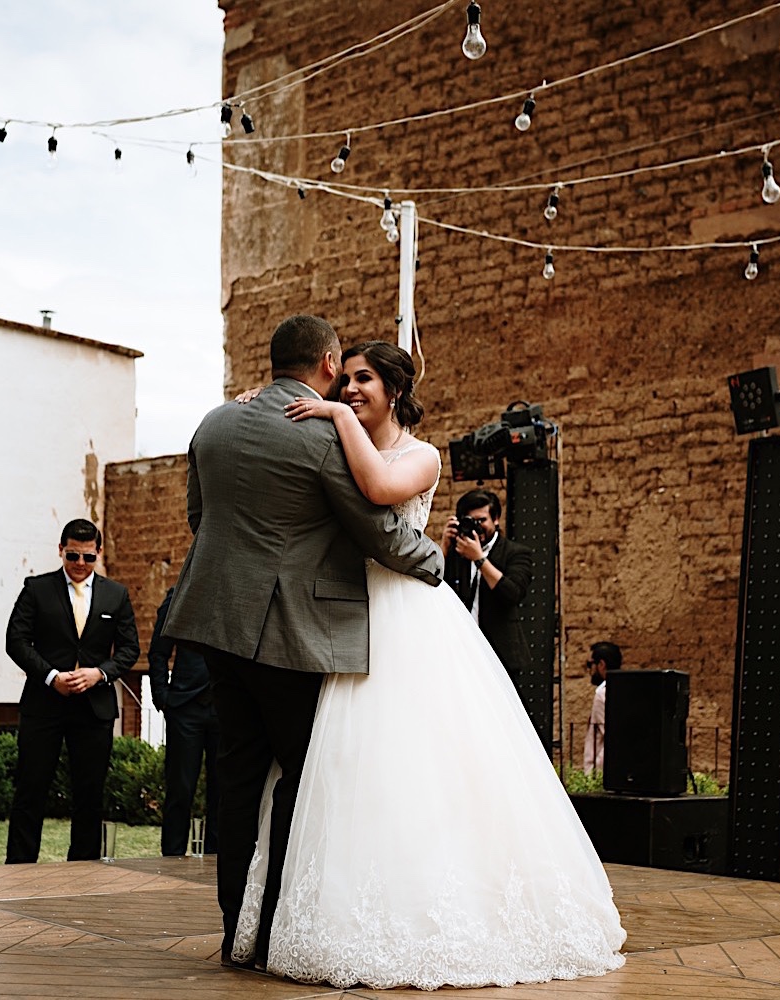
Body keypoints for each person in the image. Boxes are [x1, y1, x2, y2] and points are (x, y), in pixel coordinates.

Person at [232, 340, 625, 989]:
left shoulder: (418, 455)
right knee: (345, 766)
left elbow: (379, 490)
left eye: (365, 379)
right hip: (344, 620)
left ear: (393, 389)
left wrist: (330, 416)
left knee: (424, 760)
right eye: (346, 378)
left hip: (409, 616)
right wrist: (261, 404)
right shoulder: (339, 436)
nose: (352, 388)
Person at [162, 315, 444, 969]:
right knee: (302, 775)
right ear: (324, 361)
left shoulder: (213, 424)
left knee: (235, 779)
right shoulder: (317, 436)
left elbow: (201, 518)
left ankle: (236, 928)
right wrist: (437, 568)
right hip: (292, 634)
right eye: (341, 369)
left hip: (217, 628)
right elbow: (376, 530)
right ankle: (273, 933)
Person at [5, 518, 138, 863]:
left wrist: (99, 674)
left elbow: (129, 650)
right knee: (31, 790)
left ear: (99, 553)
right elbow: (16, 641)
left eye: (88, 557)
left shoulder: (117, 595)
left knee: (89, 793)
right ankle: (19, 868)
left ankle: (83, 869)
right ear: (61, 550)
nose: (80, 564)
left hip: (94, 708)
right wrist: (50, 676)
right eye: (73, 556)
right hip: (43, 704)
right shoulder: (36, 588)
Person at [147, 585, 218, 856]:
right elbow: (158, 653)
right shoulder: (179, 595)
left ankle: (216, 859)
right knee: (180, 789)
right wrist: (162, 697)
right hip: (185, 708)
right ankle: (172, 857)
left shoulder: (236, 590)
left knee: (223, 790)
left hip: (224, 707)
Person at [440, 488, 534, 682]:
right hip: (462, 651)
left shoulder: (516, 553)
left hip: (501, 653)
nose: (477, 527)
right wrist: (444, 548)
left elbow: (513, 593)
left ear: (496, 519)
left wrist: (480, 559)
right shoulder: (457, 552)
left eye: (482, 520)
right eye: (470, 521)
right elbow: (434, 586)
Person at [584, 641, 623, 773]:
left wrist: (594, 772)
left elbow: (611, 738)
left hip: (601, 771)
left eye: (591, 664)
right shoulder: (622, 689)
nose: (590, 670)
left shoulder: (602, 694)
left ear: (601, 664)